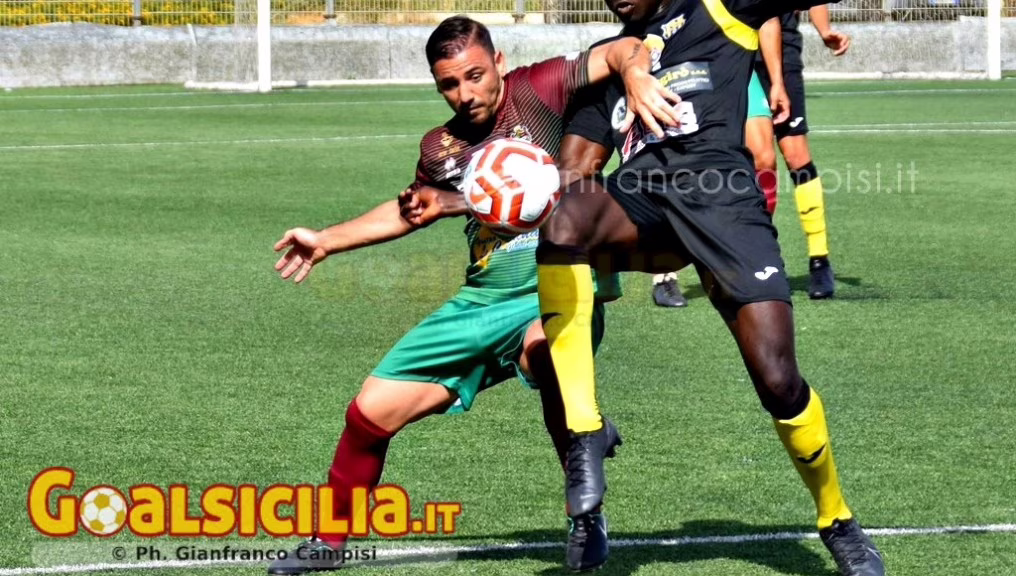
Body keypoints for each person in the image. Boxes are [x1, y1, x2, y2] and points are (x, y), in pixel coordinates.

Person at [265, 16, 679, 575]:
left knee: (546, 352)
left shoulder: (540, 88)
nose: (465, 94)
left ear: (499, 62)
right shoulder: (441, 147)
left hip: (556, 285)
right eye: (449, 84)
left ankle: (585, 515)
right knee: (368, 413)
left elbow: (624, 47)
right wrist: (327, 241)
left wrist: (636, 75)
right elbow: (411, 209)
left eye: (475, 76)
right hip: (483, 298)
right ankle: (330, 540)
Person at [537, 0, 885, 574]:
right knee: (564, 219)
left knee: (779, 382)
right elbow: (574, 168)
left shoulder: (717, 7)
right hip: (645, 205)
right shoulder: (607, 62)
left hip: (724, 202)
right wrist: (504, 186)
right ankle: (584, 431)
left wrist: (819, 38)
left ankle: (837, 518)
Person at [651, 18, 788, 308]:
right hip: (683, 62)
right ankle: (664, 274)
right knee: (677, 161)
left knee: (764, 157)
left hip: (734, 59)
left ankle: (753, 253)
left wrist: (777, 80)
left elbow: (768, 18)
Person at [752, 5, 851, 299]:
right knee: (760, 158)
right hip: (736, 53)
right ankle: (762, 257)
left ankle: (819, 260)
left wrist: (825, 31)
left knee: (796, 155)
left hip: (783, 50)